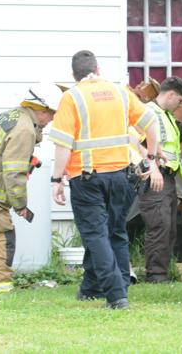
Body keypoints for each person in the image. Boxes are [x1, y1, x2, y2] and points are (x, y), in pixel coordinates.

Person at [49, 50, 162, 310]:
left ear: (74, 75)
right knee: (115, 231)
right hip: (122, 176)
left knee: (96, 235)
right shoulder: (120, 92)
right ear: (98, 70)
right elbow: (151, 121)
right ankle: (99, 287)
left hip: (87, 178)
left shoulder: (72, 97)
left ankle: (115, 295)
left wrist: (56, 179)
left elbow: (63, 145)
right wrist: (152, 158)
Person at [0, 82, 62, 294]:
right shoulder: (25, 130)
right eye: (51, 113)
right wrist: (20, 204)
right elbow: (13, 173)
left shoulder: (10, 117)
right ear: (40, 109)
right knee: (0, 242)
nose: (53, 118)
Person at [138, 76, 182, 283]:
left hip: (167, 176)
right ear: (170, 95)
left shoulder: (165, 115)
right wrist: (152, 168)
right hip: (156, 176)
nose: (180, 105)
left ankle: (162, 272)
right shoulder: (150, 113)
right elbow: (136, 142)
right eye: (179, 100)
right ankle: (156, 275)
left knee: (168, 227)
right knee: (159, 225)